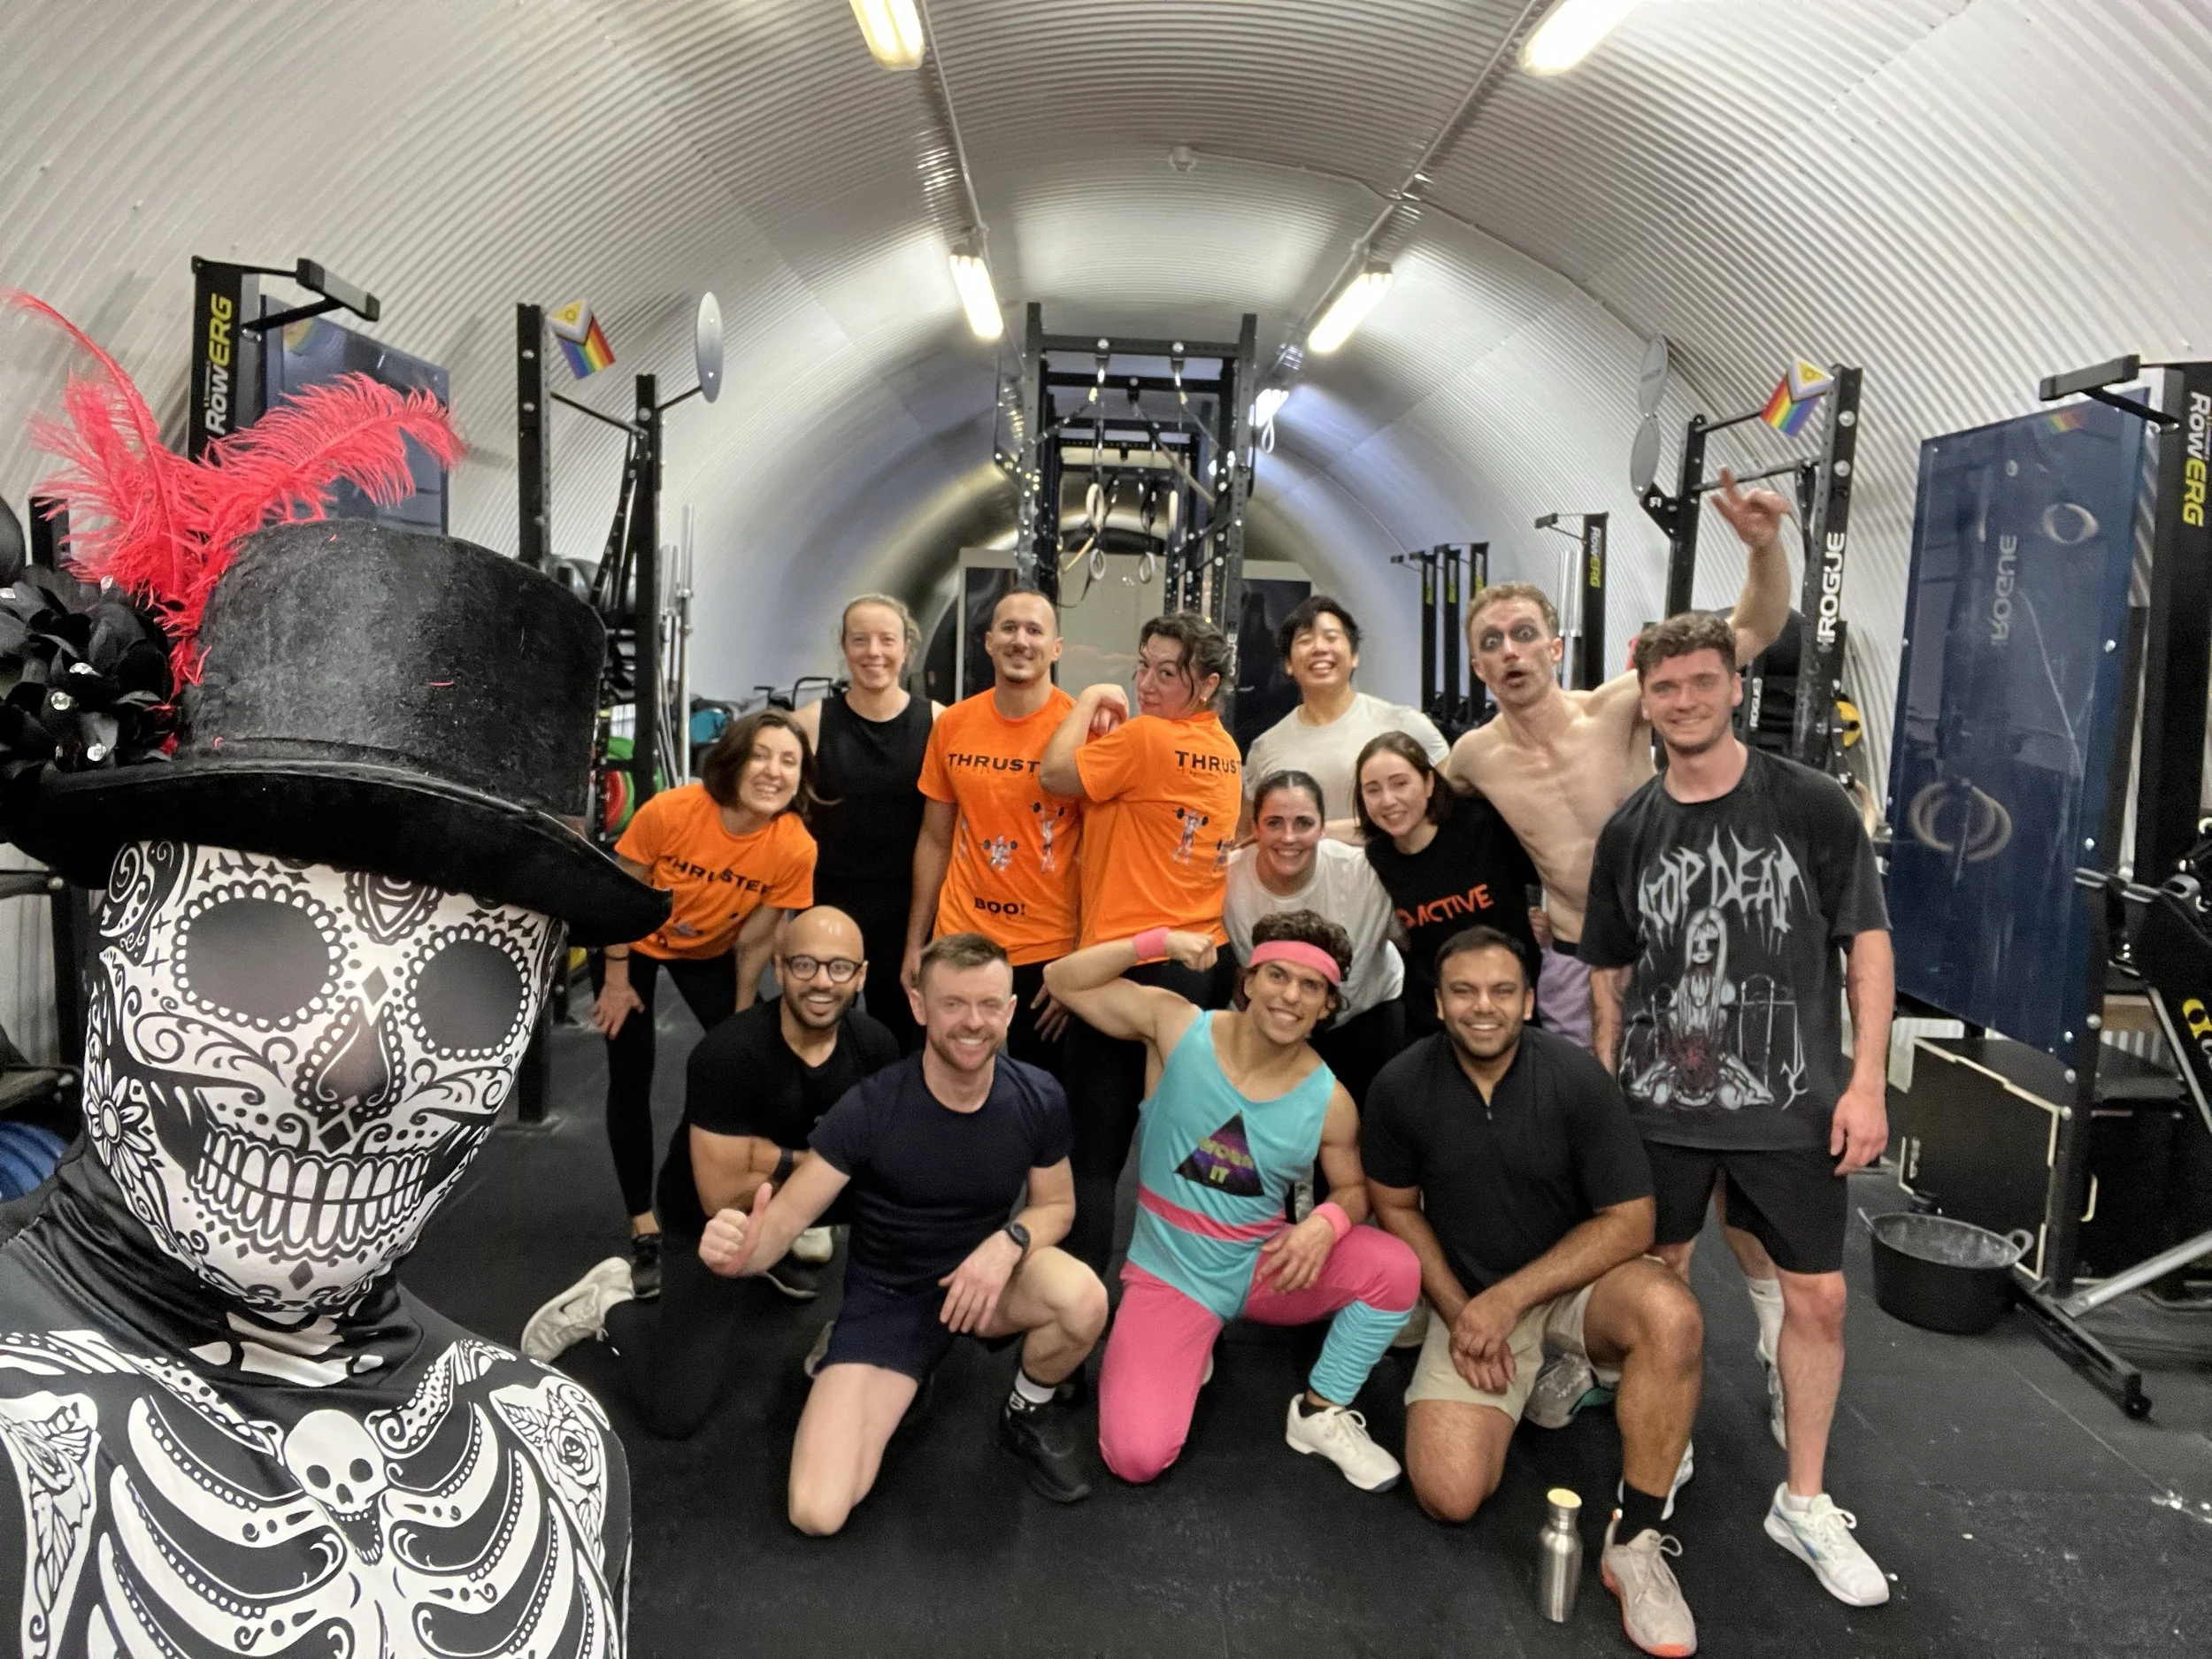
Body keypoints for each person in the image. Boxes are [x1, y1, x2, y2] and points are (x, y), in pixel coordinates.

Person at [1445, 476, 1798, 1434]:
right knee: (1594, 1166)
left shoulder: (1618, 709)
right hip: (1572, 972)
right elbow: (1398, 807)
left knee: (1730, 1160)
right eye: (1492, 641)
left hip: (1691, 963)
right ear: (1475, 662)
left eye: (1525, 635)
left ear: (1554, 647)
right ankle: (1588, 1345)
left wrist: (1764, 547)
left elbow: (1748, 631)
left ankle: (1773, 1338)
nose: (1510, 653)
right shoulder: (1473, 756)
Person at [1582, 611, 1895, 1610]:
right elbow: (1609, 975)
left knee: (1820, 1302)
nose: (1683, 702)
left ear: (1732, 687)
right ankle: (1658, 1452)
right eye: (1665, 688)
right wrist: (1606, 1090)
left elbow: (1868, 946)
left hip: (1790, 1101)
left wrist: (1866, 1081)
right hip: (1659, 1106)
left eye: (1701, 683)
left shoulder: (1808, 805)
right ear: (1648, 696)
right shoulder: (1631, 827)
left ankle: (1801, 1501)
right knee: (1658, 1292)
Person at [1364, 927, 1703, 1658]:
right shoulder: (1400, 1085)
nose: (1482, 1006)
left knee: (1672, 1316)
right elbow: (1394, 1206)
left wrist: (1508, 1299)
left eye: (1500, 990)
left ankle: (1637, 1542)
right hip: (1475, 1298)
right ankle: (1556, 1378)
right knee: (1448, 1496)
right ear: (1438, 1001)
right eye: (1463, 991)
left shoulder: (1577, 1079)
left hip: (1571, 1285)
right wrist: (1461, 1314)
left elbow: (1631, 1221)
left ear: (1527, 1000)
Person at [699, 933, 1109, 1532]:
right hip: (888, 1301)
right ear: (919, 1005)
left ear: (1011, 1010)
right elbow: (781, 1224)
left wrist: (1007, 1244)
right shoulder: (869, 1107)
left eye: (989, 1005)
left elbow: (1057, 1206)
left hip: (981, 1286)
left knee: (1083, 1298)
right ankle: (888, 1364)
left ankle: (1027, 1409)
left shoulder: (1036, 1096)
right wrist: (734, 1250)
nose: (973, 1022)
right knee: (818, 1511)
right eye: (953, 1004)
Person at [1045, 911, 1420, 1492]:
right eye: (1277, 975)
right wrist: (1160, 941)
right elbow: (1063, 978)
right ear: (1247, 979)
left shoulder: (1330, 1099)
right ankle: (1188, 1345)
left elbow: (1352, 1187)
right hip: (1170, 1274)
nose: (1290, 995)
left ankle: (1319, 1412)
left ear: (1327, 1005)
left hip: (1261, 1264)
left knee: (1396, 1270)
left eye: (1310, 985)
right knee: (1134, 1457)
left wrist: (1325, 1222)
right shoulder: (1176, 1028)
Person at [520, 907, 901, 1437]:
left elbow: (885, 1158)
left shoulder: (876, 1045)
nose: (821, 982)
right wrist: (828, 1160)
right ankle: (609, 1301)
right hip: (708, 1220)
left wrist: (769, 1157)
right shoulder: (729, 1054)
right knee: (675, 1415)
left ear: (860, 976)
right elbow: (721, 1193)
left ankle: (854, 1328)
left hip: (794, 1198)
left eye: (839, 968)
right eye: (806, 965)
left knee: (907, 1198)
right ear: (780, 966)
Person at [1040, 611, 1243, 1273]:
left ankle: (1076, 1318)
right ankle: (1180, 1303)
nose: (1147, 683)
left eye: (1168, 673)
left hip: (1128, 963)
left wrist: (1096, 699)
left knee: (1094, 1157)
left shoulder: (1147, 737)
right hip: (1198, 965)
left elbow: (1054, 775)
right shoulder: (1225, 751)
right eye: (1142, 665)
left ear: (1208, 683)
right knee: (1179, 1151)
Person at [594, 709, 819, 1296]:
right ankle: (644, 1224)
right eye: (761, 756)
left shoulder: (794, 846)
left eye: (789, 761)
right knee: (630, 1069)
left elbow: (755, 940)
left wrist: (743, 1018)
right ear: (733, 761)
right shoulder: (672, 811)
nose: (774, 771)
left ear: (801, 777)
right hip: (633, 940)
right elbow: (619, 897)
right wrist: (617, 981)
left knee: (758, 1065)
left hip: (710, 951)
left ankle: (751, 1208)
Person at [904, 585, 1081, 1073]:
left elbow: (1104, 854)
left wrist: (1081, 961)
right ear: (988, 642)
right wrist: (917, 942)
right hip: (961, 937)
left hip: (1048, 950)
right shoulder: (954, 724)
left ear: (1056, 648)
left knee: (1041, 1098)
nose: (1020, 640)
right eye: (1009, 628)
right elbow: (935, 839)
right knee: (950, 1081)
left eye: (1034, 630)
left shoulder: (1082, 731)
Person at [793, 593, 942, 1051]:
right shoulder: (811, 723)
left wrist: (919, 935)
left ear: (905, 648)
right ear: (844, 646)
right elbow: (777, 824)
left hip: (906, 906)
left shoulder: (938, 722)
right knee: (816, 1031)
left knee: (900, 1039)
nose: (873, 652)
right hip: (826, 900)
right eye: (860, 640)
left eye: (886, 640)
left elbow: (941, 835)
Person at [1225, 769, 1404, 1103]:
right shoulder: (1227, 880)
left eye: (1304, 823)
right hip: (1276, 1022)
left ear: (1323, 828)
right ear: (1255, 829)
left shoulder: (1364, 873)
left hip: (1366, 1017)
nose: (1289, 837)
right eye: (1274, 823)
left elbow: (1418, 933)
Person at [1356, 730, 1542, 1041]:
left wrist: (1550, 918)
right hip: (1433, 1015)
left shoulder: (1480, 825)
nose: (1388, 800)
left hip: (1509, 1001)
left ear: (1429, 783)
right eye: (1372, 790)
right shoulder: (1377, 857)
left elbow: (1546, 867)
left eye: (1401, 783)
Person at [1239, 595, 1448, 841]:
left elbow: (1450, 808)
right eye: (1305, 640)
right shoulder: (1266, 748)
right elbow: (1248, 835)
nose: (1319, 648)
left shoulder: (1405, 725)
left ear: (1354, 656)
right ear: (1288, 664)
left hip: (1391, 876)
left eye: (1331, 638)